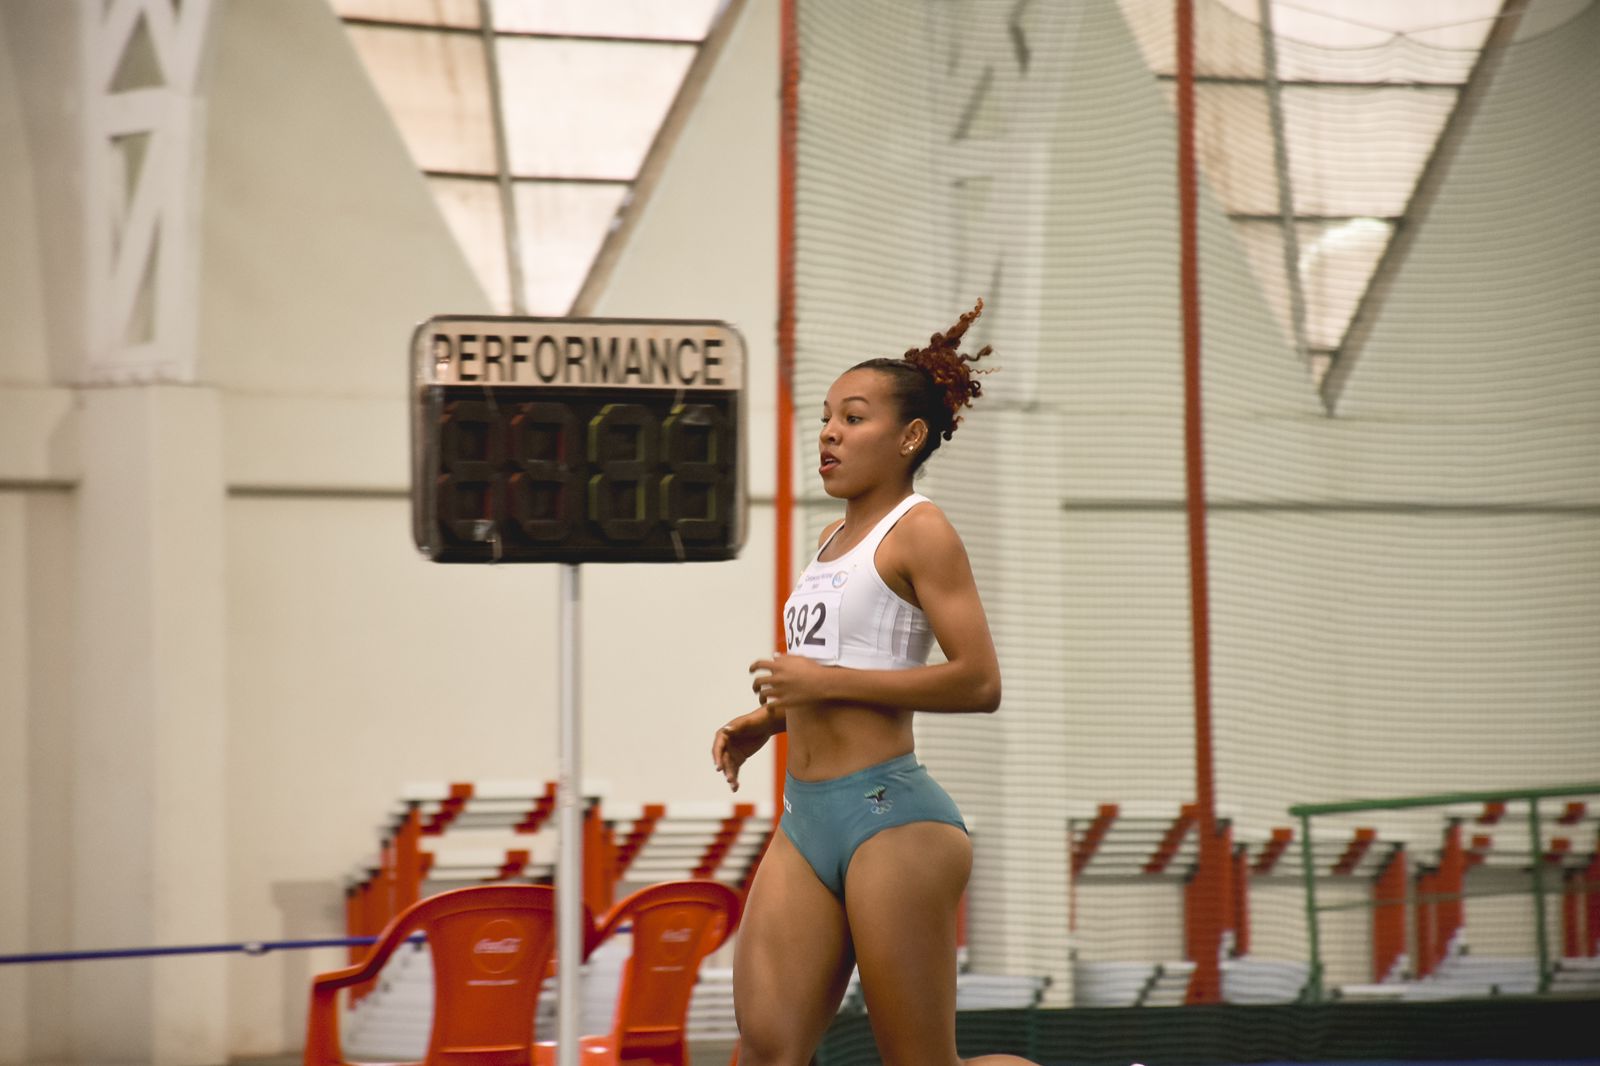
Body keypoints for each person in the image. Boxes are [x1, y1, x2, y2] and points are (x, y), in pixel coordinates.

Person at [712, 300, 1036, 1066]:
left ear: (909, 438)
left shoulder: (922, 529)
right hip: (807, 817)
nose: (827, 432)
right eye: (826, 418)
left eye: (852, 418)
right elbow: (850, 670)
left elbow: (979, 682)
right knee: (764, 1052)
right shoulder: (830, 538)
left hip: (893, 820)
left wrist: (821, 684)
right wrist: (773, 720)